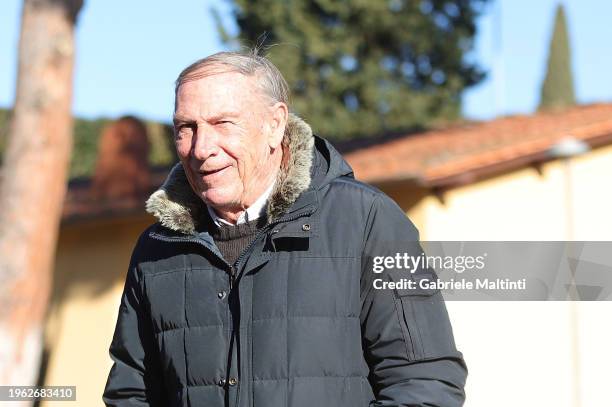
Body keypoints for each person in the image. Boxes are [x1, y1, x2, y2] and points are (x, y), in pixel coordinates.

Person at [103, 50, 467, 407]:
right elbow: (131, 394)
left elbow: (425, 385)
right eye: (186, 128)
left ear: (275, 125)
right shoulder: (157, 247)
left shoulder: (365, 220)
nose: (201, 148)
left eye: (222, 123)